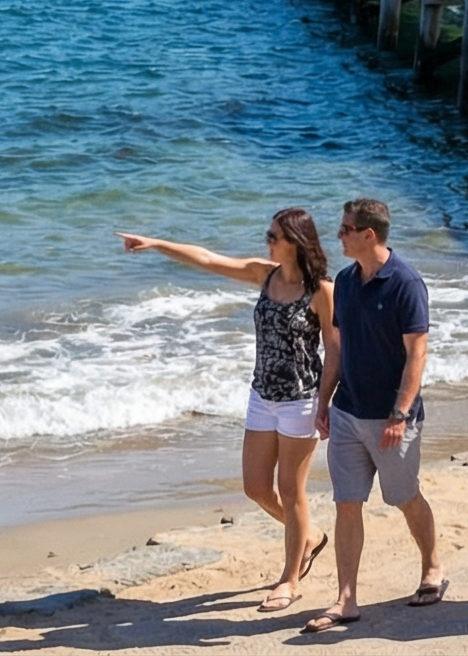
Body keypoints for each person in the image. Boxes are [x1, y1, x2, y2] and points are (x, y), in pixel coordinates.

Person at [118, 213, 337, 612]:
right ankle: (310, 536)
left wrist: (325, 404)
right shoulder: (265, 275)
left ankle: (289, 579)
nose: (266, 240)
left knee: (291, 492)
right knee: (255, 487)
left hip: (300, 401)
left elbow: (336, 350)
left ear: (295, 241)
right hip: (262, 396)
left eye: (273, 235)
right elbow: (206, 259)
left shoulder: (322, 290)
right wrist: (155, 242)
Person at [306, 198, 444, 632]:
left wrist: (400, 413)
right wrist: (324, 401)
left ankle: (433, 566)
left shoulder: (406, 282)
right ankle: (346, 598)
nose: (339, 234)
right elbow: (338, 349)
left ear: (369, 235)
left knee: (404, 498)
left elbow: (416, 353)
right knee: (346, 504)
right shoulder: (344, 282)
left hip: (391, 417)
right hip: (348, 411)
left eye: (346, 229)